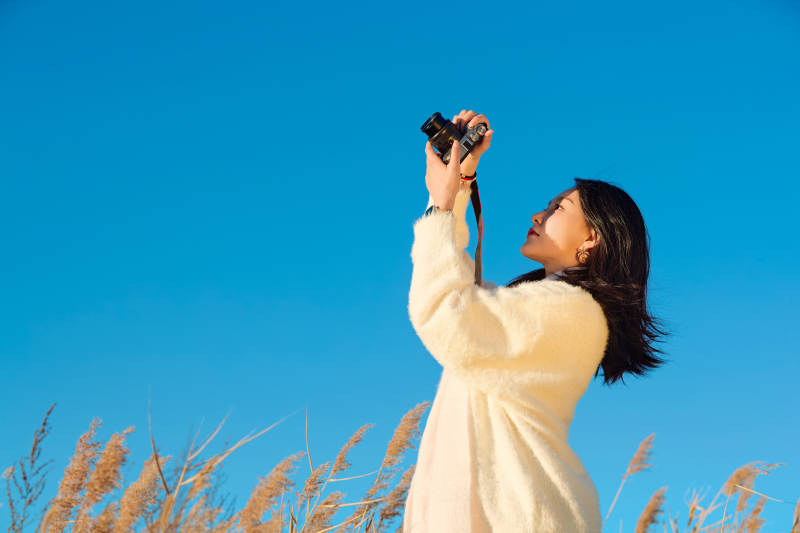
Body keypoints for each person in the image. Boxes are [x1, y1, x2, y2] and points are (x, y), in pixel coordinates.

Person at [402, 110, 669, 532]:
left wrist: (440, 204)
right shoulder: (542, 307)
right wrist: (461, 183)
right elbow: (458, 292)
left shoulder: (573, 311)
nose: (537, 216)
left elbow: (446, 314)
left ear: (593, 238)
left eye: (558, 208)